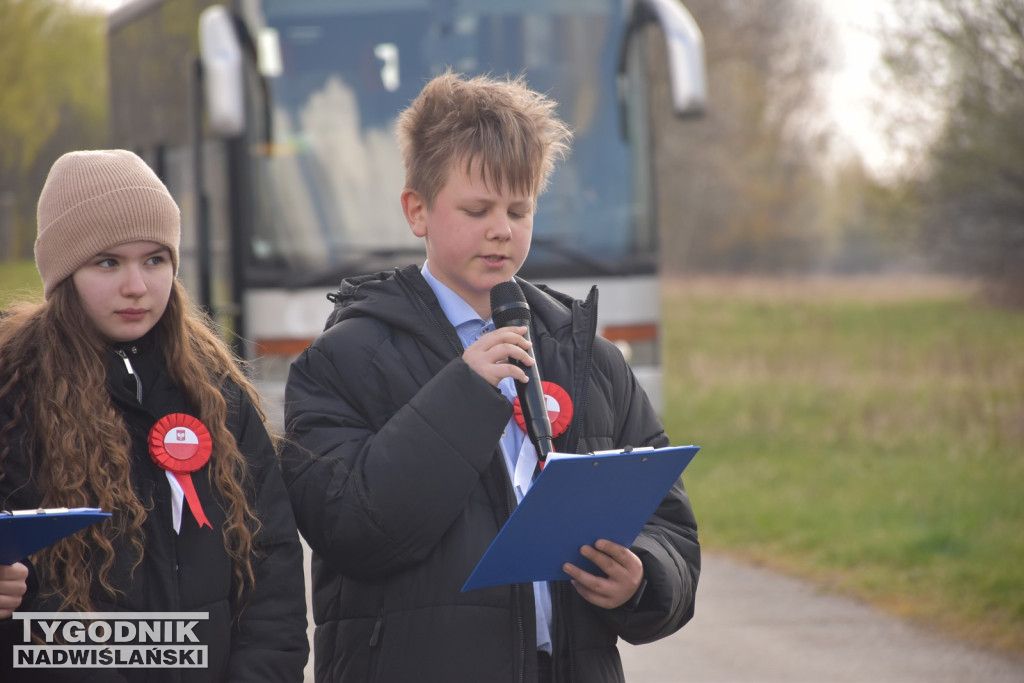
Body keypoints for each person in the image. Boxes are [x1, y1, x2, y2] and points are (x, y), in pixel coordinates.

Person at [282, 71, 700, 683]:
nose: (501, 229)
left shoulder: (589, 357)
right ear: (417, 211)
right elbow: (348, 530)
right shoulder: (344, 360)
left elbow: (669, 525)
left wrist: (644, 577)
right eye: (476, 210)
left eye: (519, 209)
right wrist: (464, 394)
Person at [0, 149, 309, 682]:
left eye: (155, 260)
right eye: (108, 262)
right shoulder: (14, 396)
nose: (137, 286)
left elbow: (273, 572)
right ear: (64, 271)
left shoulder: (218, 394)